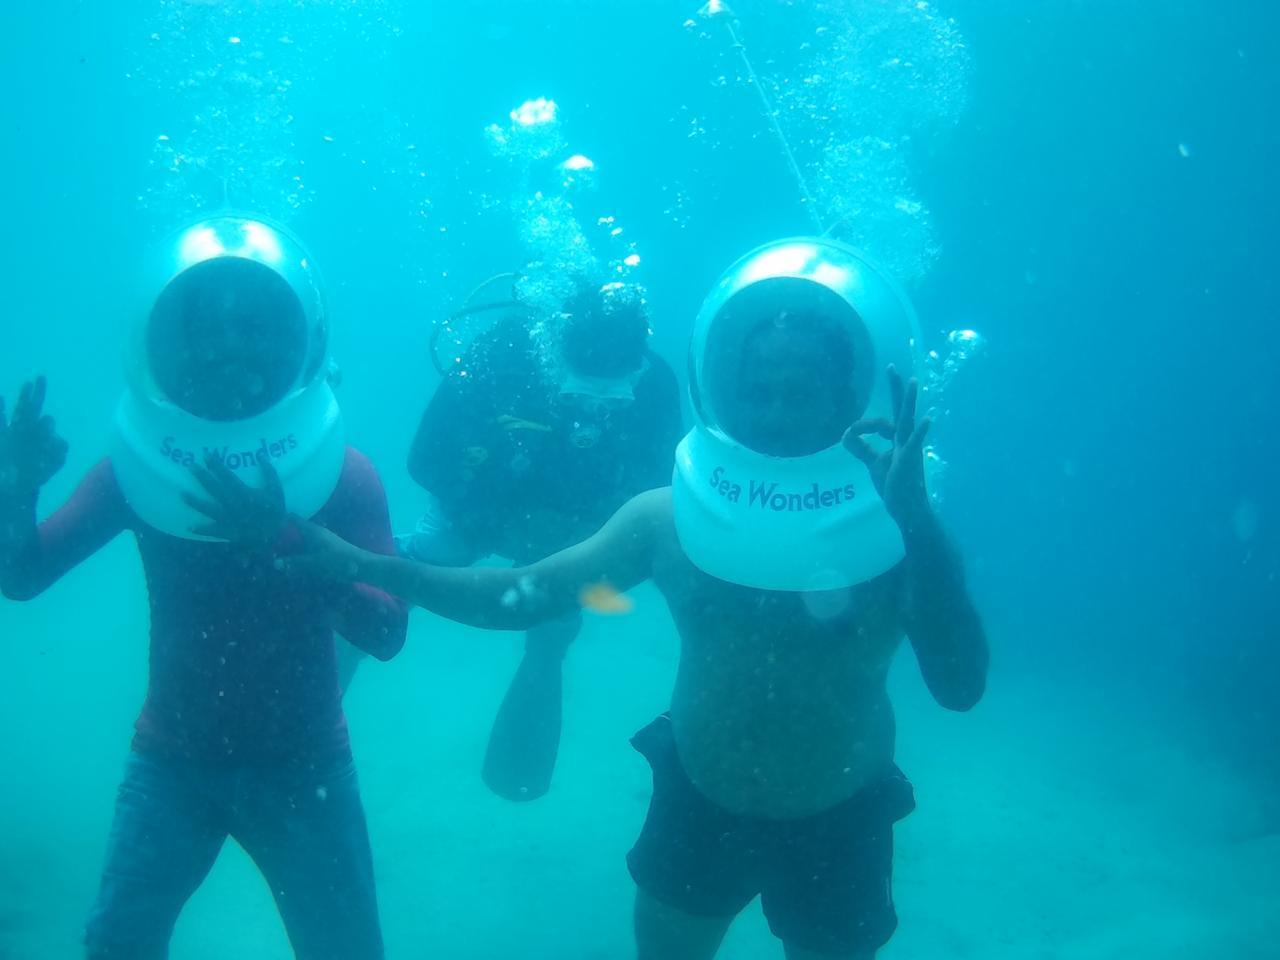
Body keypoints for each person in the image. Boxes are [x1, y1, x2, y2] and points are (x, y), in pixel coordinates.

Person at [270, 238, 988, 960]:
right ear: (724, 394)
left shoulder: (893, 532)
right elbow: (521, 598)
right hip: (700, 804)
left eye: (801, 394)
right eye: (757, 391)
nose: (774, 414)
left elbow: (960, 687)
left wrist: (918, 524)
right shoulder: (668, 516)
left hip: (842, 817)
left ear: (849, 398)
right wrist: (367, 565)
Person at [0, 216, 407, 960]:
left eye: (254, 326)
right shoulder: (142, 472)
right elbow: (21, 578)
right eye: (207, 327)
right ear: (165, 341)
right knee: (117, 946)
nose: (230, 347)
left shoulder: (341, 475)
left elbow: (387, 633)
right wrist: (16, 487)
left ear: (299, 338)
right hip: (173, 762)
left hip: (304, 762)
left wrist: (282, 538)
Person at [389, 277, 683, 801]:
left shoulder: (653, 381)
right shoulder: (504, 356)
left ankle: (545, 654)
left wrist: (584, 538)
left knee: (557, 627)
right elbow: (427, 458)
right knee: (394, 580)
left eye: (618, 369)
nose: (601, 396)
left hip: (583, 536)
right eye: (591, 367)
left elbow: (662, 487)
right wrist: (503, 508)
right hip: (479, 514)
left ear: (638, 352)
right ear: (560, 343)